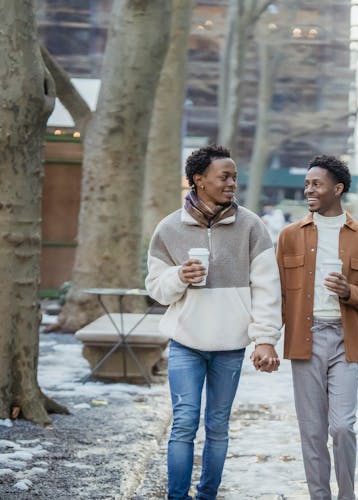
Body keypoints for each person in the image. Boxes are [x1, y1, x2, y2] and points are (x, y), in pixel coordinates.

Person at [145, 145, 281, 500]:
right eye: (225, 176)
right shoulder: (169, 228)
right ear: (199, 180)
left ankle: (207, 495)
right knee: (184, 424)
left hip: (230, 347)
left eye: (235, 176)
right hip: (186, 344)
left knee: (218, 426)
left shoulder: (252, 227)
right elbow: (157, 289)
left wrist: (265, 338)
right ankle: (177, 497)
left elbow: (268, 289)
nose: (232, 183)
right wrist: (179, 276)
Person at [276, 155, 358, 500]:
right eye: (307, 183)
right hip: (305, 341)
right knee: (312, 431)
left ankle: (347, 496)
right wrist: (264, 341)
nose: (309, 189)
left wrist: (348, 292)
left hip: (345, 340)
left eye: (316, 184)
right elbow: (277, 296)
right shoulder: (289, 236)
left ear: (337, 189)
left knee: (342, 427)